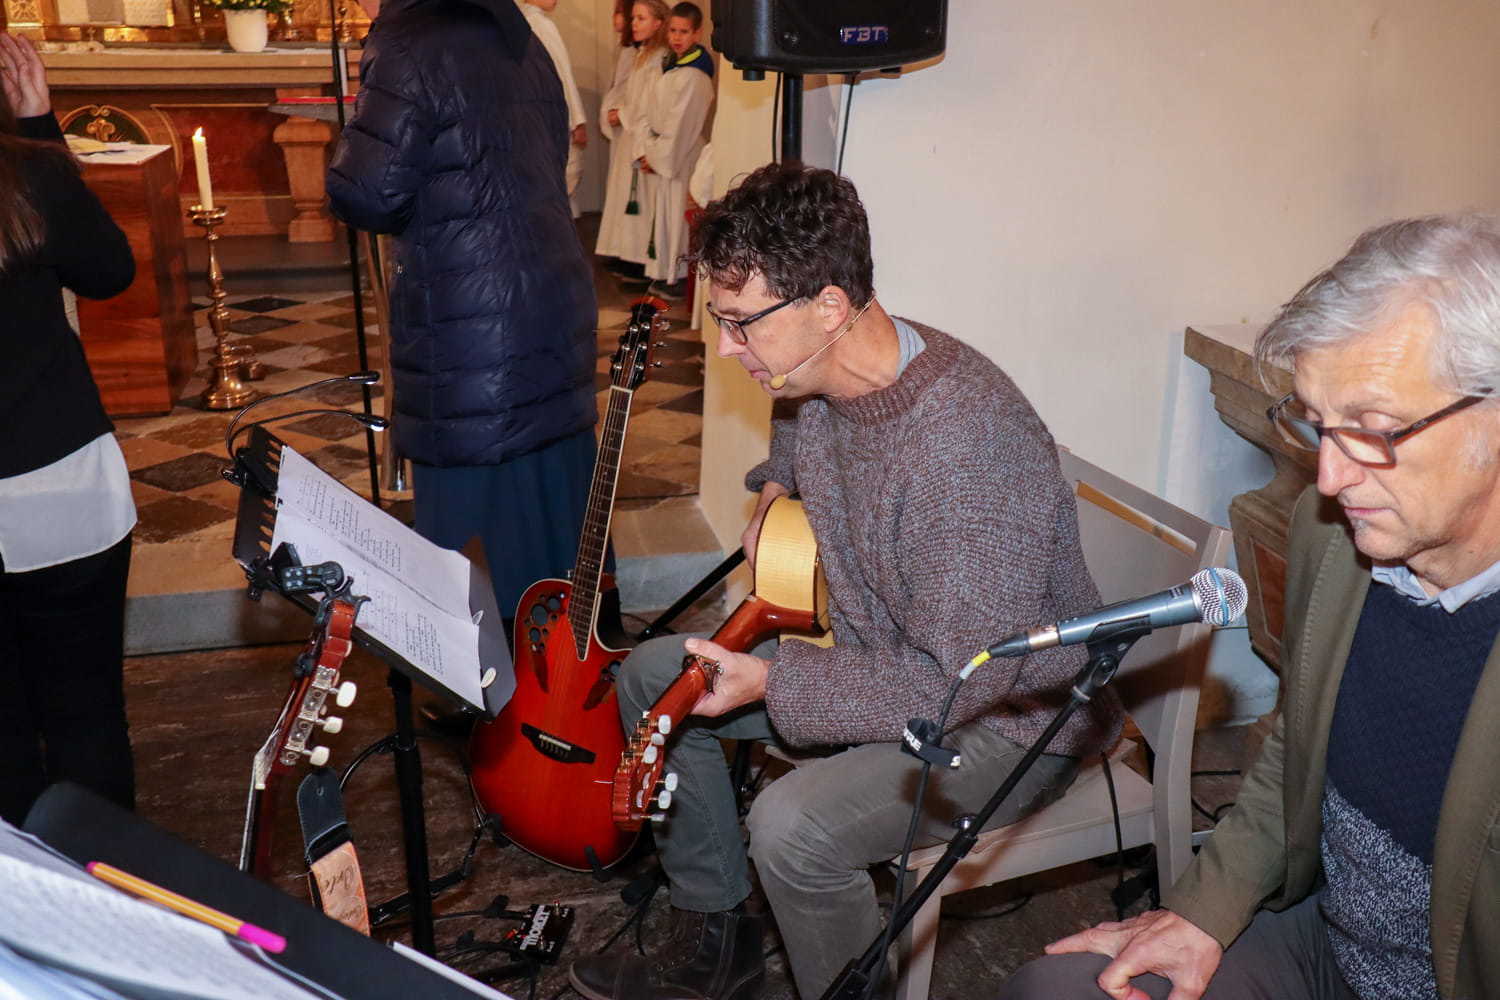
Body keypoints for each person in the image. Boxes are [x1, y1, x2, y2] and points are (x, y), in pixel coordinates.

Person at [569, 163, 1122, 1000]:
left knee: (791, 827)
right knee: (653, 675)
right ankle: (718, 938)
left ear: (828, 306)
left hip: (1012, 718)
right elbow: (800, 422)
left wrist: (777, 681)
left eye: (740, 325)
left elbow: (961, 683)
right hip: (889, 660)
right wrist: (774, 489)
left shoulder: (965, 454)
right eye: (720, 321)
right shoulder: (837, 362)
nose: (726, 348)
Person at [999, 214, 1500, 1000]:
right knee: (1052, 990)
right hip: (1329, 940)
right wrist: (1204, 909)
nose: (1329, 478)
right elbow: (1298, 744)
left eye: (1372, 430)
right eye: (1316, 424)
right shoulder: (1331, 537)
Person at [325, 0, 597, 626]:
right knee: (551, 518)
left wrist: (345, 156)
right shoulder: (519, 33)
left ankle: (485, 679)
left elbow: (370, 193)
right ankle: (564, 670)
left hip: (469, 323)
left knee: (473, 548)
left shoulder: (409, 41)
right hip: (549, 298)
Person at [0, 33, 137, 825]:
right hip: (61, 482)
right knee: (88, 720)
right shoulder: (26, 172)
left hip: (54, 480)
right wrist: (39, 126)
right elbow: (108, 271)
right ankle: (105, 880)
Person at [637, 1, 713, 301]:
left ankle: (678, 276)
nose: (677, 37)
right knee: (665, 217)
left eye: (684, 32)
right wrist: (650, 149)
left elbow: (681, 125)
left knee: (677, 220)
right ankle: (665, 272)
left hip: (681, 156)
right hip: (664, 150)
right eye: (673, 31)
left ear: (697, 33)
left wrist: (657, 157)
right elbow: (653, 112)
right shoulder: (673, 64)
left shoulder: (695, 74)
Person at [595, 0, 669, 287]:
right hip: (631, 134)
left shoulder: (659, 57)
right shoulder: (642, 54)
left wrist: (623, 114)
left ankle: (640, 261)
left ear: (658, 23)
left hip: (642, 137)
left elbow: (650, 103)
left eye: (641, 18)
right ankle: (628, 254)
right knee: (627, 197)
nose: (633, 23)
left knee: (641, 200)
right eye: (633, 18)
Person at [516, 0, 587, 215]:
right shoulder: (541, 24)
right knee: (563, 181)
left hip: (533, 117)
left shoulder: (519, 23)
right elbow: (562, 75)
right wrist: (577, 120)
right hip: (555, 117)